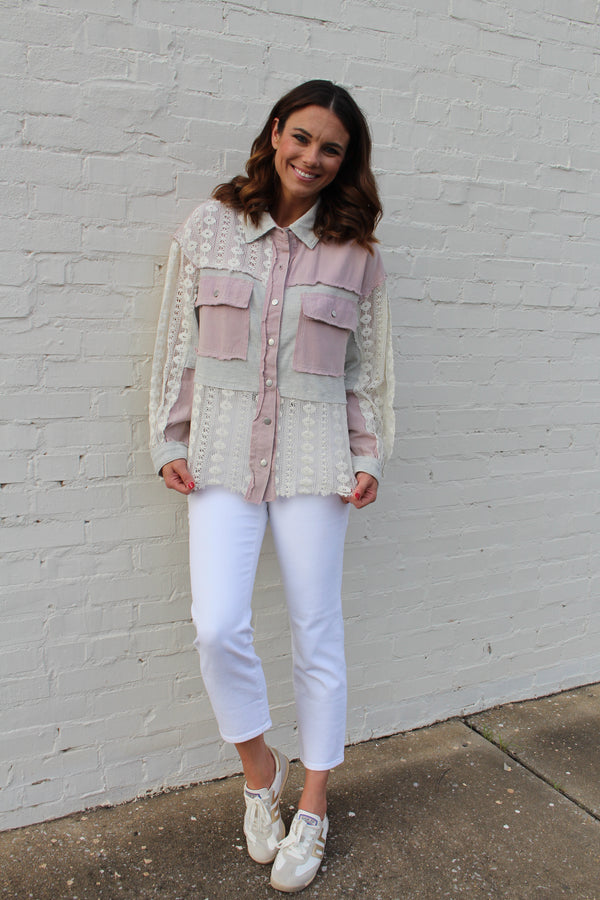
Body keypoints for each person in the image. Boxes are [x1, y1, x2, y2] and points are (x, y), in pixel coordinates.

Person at [149, 79, 394, 893]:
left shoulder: (358, 255)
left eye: (332, 149)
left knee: (316, 627)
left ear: (347, 161)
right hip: (220, 452)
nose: (312, 158)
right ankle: (262, 773)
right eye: (303, 138)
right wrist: (168, 436)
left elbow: (366, 371)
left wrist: (369, 454)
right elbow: (177, 342)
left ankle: (314, 805)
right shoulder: (210, 227)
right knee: (218, 624)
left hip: (317, 459)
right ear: (276, 132)